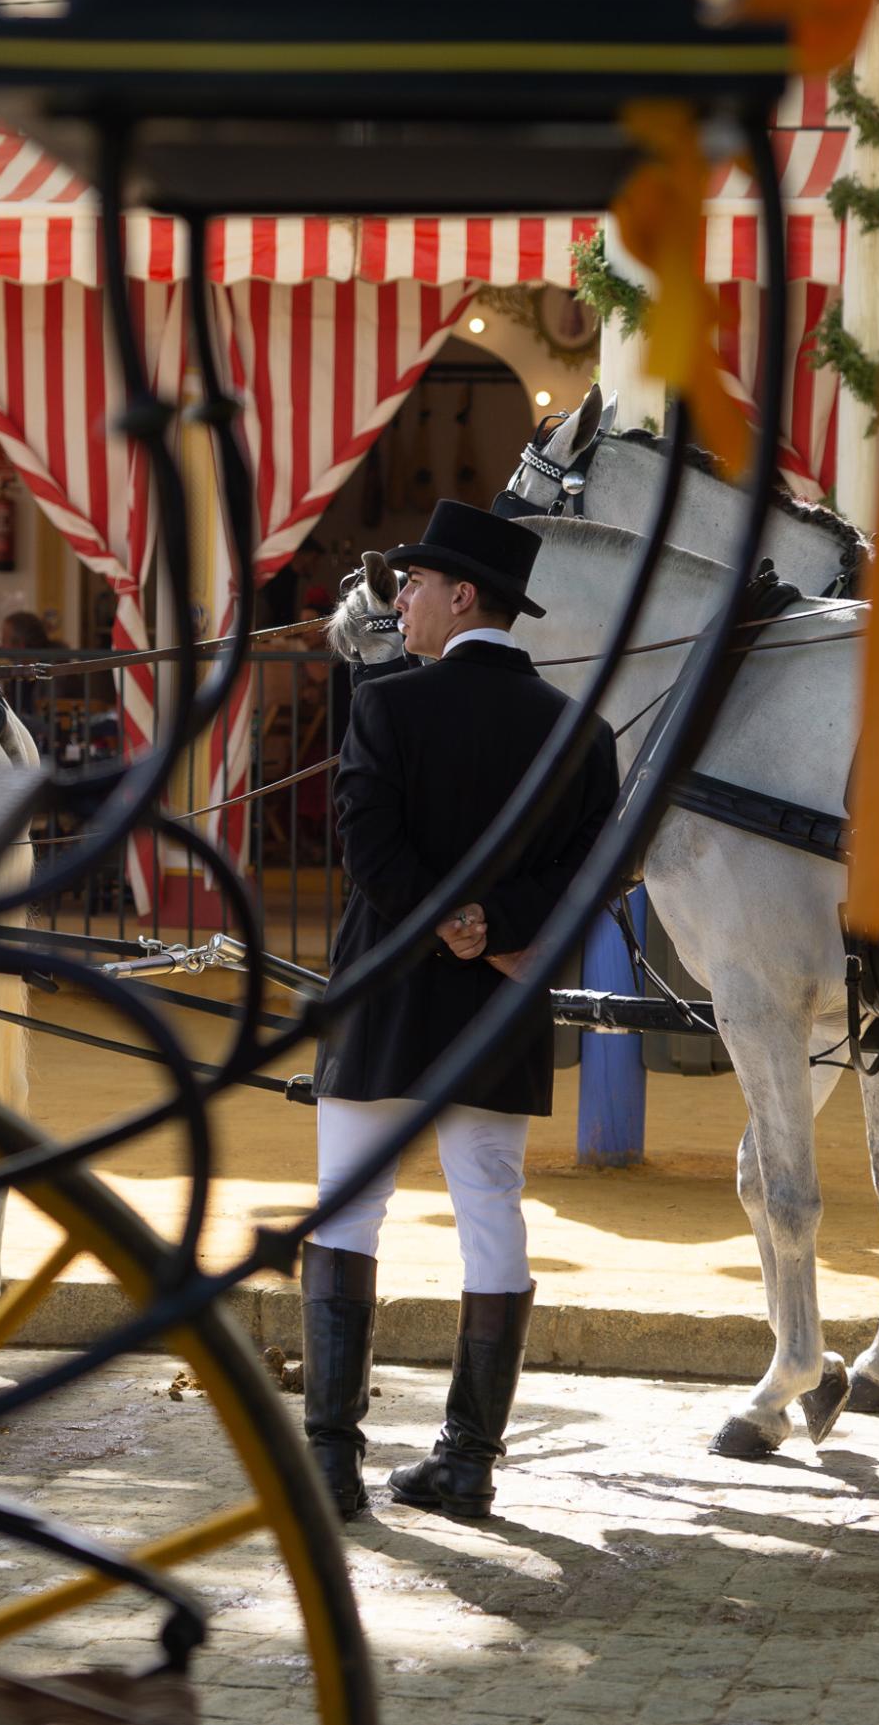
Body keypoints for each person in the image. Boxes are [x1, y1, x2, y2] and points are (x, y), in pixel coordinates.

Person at [302, 500, 619, 1523]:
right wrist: (495, 927)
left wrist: (451, 924)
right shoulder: (578, 730)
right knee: (491, 1211)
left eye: (414, 584)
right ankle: (467, 1462)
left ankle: (331, 1464)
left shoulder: (385, 706)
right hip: (498, 1004)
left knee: (348, 1212)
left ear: (460, 596)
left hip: (387, 994)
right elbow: (592, 874)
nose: (400, 599)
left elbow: (368, 855)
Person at [259, 535, 326, 630]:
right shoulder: (277, 579)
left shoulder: (300, 580)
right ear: (301, 554)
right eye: (314, 558)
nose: (316, 564)